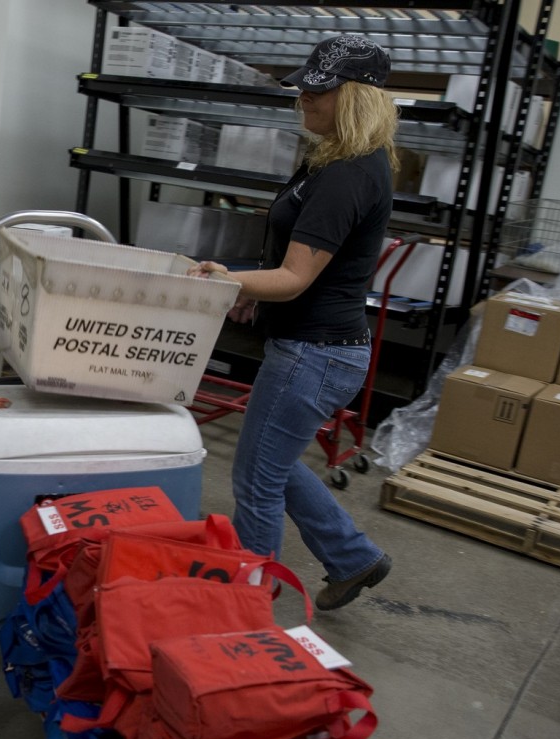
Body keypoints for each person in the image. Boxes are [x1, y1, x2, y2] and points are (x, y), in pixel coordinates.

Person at [187, 34, 399, 611]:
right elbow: (291, 270)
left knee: (255, 479)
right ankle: (354, 558)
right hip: (318, 346)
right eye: (305, 86)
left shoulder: (349, 173)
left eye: (319, 89)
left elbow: (297, 278)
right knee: (271, 462)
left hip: (315, 351)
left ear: (356, 97)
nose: (304, 97)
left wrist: (218, 278)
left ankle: (249, 603)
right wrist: (257, 292)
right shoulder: (337, 159)